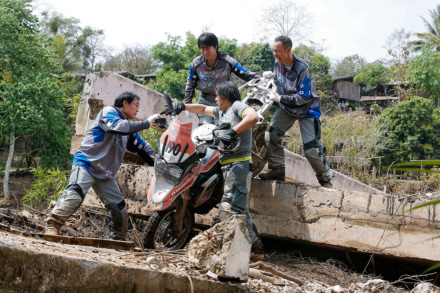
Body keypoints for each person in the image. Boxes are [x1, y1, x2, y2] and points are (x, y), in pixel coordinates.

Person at [45, 91, 161, 240]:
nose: (138, 109)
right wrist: (146, 123)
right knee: (75, 194)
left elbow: (142, 147)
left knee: (119, 208)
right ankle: (52, 225)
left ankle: (117, 239)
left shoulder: (129, 129)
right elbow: (117, 127)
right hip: (87, 163)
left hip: (105, 174)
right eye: (136, 105)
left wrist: (159, 161)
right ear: (125, 103)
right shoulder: (109, 112)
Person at [171, 81, 265, 259]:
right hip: (228, 165)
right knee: (238, 208)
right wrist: (183, 106)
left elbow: (253, 117)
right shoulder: (222, 111)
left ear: (226, 96)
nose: (215, 98)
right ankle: (256, 248)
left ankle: (237, 251)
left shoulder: (237, 106)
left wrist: (233, 132)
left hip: (239, 164)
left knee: (228, 207)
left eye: (217, 95)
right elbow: (202, 109)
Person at [258, 36, 333, 187]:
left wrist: (279, 98)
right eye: (273, 51)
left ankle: (325, 180)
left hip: (306, 109)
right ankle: (277, 170)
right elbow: (278, 85)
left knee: (311, 149)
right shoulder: (277, 64)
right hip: (287, 107)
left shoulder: (302, 68)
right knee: (270, 135)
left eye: (278, 51)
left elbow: (303, 98)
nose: (275, 54)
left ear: (288, 50)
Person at [184, 32, 260, 125]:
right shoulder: (196, 64)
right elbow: (190, 83)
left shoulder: (227, 61)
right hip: (205, 100)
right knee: (204, 129)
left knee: (222, 127)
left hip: (224, 100)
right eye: (202, 49)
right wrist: (188, 105)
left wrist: (261, 79)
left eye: (208, 48)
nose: (205, 52)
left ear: (215, 46)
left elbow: (244, 73)